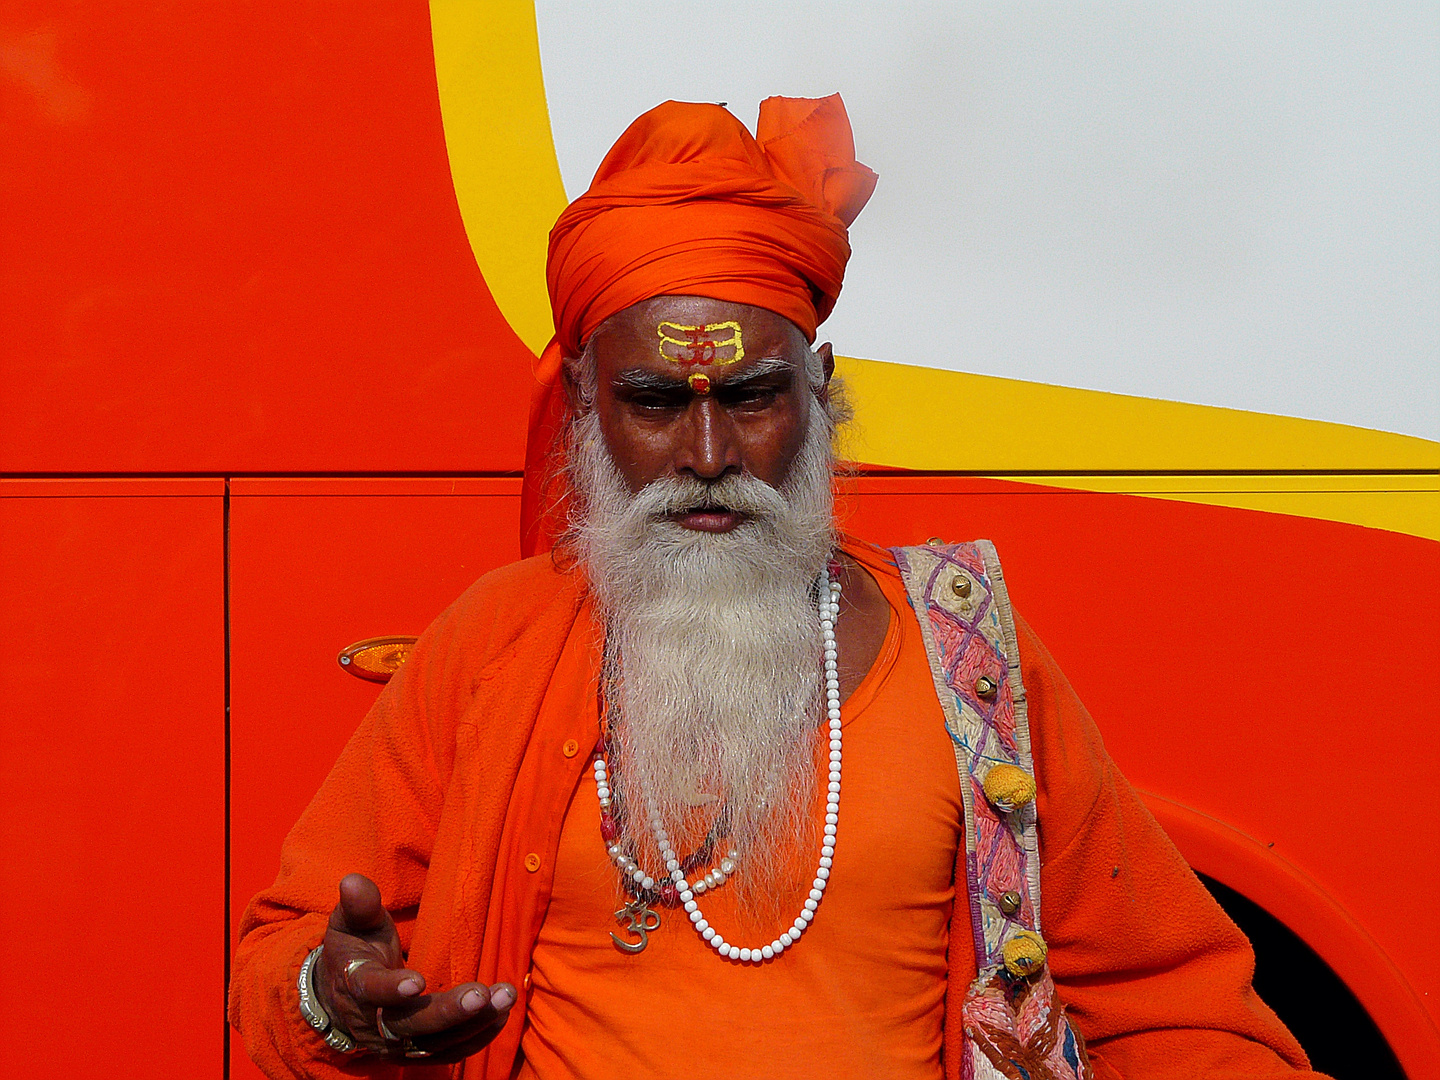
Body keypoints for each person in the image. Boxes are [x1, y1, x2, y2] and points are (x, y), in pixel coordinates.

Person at [230, 95, 1323, 1080]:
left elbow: (1172, 1009)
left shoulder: (966, 651)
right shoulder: (494, 641)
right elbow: (280, 960)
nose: (707, 451)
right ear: (584, 404)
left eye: (751, 395)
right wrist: (333, 1005)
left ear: (820, 390)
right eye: (655, 401)